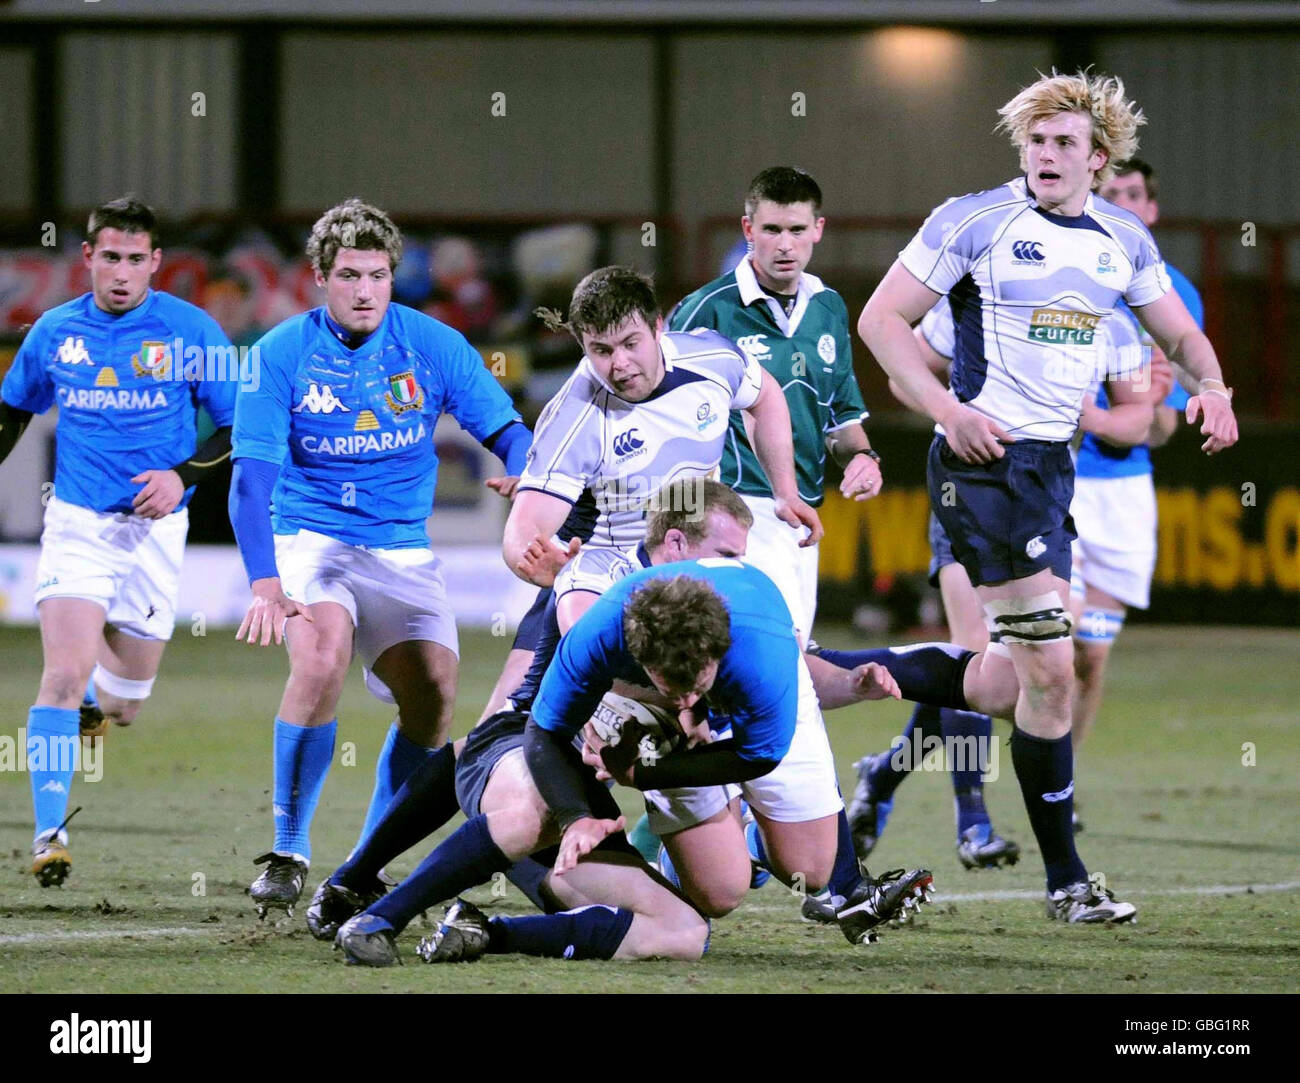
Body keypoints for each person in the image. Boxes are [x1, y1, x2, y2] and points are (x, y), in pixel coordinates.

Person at [857, 70, 1237, 924]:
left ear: (1099, 160)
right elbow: (880, 321)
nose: (1047, 155)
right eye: (1036, 141)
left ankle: (818, 679)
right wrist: (948, 410)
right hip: (982, 468)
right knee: (1051, 676)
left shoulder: (1120, 243)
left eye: (1066, 143)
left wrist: (1213, 386)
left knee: (1007, 682)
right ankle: (1066, 881)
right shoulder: (973, 220)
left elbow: (1178, 332)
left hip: (1049, 479)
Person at [321, 481, 922, 964]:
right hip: (532, 747)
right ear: (638, 653)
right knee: (530, 804)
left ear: (722, 653)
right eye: (669, 682)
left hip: (647, 754)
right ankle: (377, 916)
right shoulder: (602, 622)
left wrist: (651, 770)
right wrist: (581, 810)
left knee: (699, 915)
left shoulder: (764, 648)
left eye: (699, 684)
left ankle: (484, 928)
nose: (686, 693)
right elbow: (543, 732)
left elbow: (760, 754)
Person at [228, 198, 531, 918]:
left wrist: (525, 472)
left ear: (393, 277)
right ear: (319, 279)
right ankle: (289, 849)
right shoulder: (279, 354)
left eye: (377, 274)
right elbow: (250, 481)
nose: (364, 289)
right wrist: (266, 581)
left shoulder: (434, 345)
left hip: (401, 551)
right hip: (311, 539)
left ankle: (361, 867)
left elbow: (510, 429)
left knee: (435, 690)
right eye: (348, 275)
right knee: (322, 654)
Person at [0, 197, 238, 886]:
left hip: (157, 534)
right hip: (77, 525)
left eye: (136, 258)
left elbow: (236, 431)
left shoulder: (192, 331)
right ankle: (49, 833)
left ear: (156, 263)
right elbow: (13, 412)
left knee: (122, 705)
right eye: (111, 256)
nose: (123, 272)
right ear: (88, 259)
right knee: (61, 672)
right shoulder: (53, 332)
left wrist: (180, 475)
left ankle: (92, 707)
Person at [501, 265, 823, 633]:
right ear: (583, 346)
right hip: (610, 575)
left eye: (630, 343)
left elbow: (765, 396)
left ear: (657, 327)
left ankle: (886, 669)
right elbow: (524, 526)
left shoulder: (712, 360)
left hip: (697, 562)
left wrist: (785, 492)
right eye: (601, 350)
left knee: (782, 649)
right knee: (567, 659)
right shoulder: (572, 417)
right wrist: (532, 560)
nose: (619, 364)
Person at [668, 166, 881, 647]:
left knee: (789, 655)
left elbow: (841, 415)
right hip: (734, 508)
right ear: (749, 231)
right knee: (772, 656)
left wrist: (864, 458)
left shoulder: (828, 307)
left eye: (797, 230)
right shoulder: (708, 310)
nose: (785, 244)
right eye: (772, 230)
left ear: (817, 231)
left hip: (801, 516)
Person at [1070, 158, 1199, 760]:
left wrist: (1129, 415)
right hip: (1054, 483)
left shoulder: (1172, 296)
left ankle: (1058, 791)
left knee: (1090, 656)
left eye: (1132, 195)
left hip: (1122, 494)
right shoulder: (1062, 269)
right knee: (1043, 647)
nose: (1120, 205)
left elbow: (1166, 425)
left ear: (1150, 210)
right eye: (1108, 194)